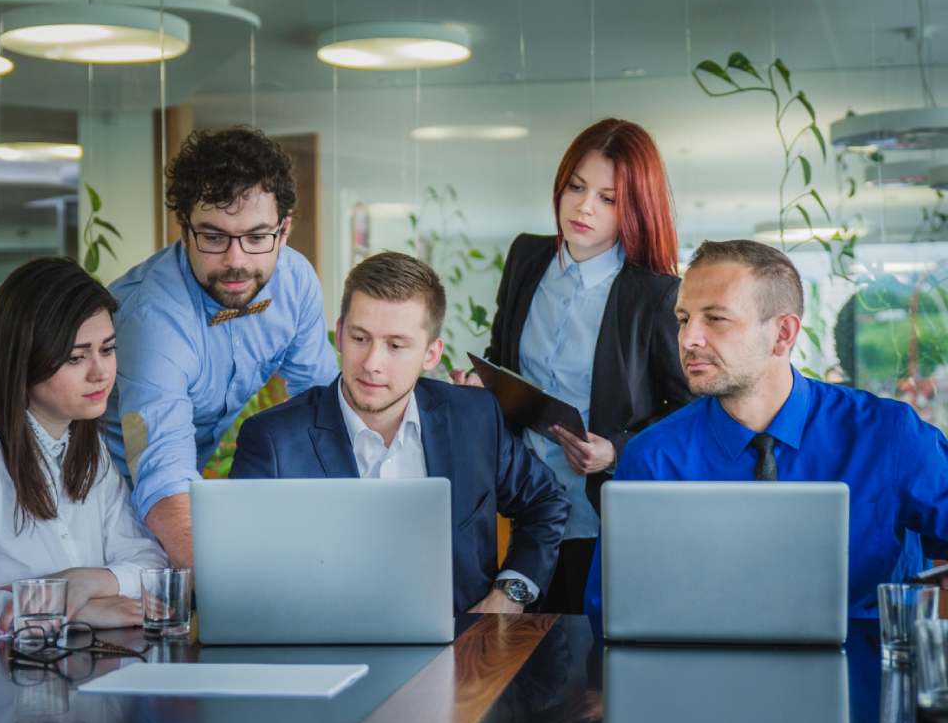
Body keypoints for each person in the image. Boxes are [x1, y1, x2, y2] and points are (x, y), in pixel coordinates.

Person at [584, 239, 948, 621]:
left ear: (783, 334)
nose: (689, 338)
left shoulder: (887, 435)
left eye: (716, 318)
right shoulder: (653, 458)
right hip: (703, 673)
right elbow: (612, 611)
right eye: (683, 319)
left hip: (863, 673)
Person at [231, 252, 568, 614]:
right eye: (360, 338)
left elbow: (545, 503)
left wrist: (510, 595)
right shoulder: (271, 440)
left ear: (431, 354)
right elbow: (241, 571)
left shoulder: (476, 417)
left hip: (463, 655)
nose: (373, 363)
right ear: (340, 333)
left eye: (395, 345)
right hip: (325, 657)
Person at [455, 118, 692, 613]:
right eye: (576, 187)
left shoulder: (654, 295)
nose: (584, 207)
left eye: (608, 198)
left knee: (586, 665)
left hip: (598, 516)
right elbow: (503, 354)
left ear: (635, 208)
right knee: (510, 655)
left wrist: (616, 452)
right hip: (517, 503)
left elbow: (689, 409)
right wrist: (483, 382)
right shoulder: (526, 257)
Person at [101, 126, 338, 568]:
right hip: (107, 504)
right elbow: (163, 474)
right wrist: (234, 593)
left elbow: (321, 409)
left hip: (192, 497)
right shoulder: (151, 320)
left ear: (283, 231)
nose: (236, 261)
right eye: (213, 237)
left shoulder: (296, 282)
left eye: (256, 237)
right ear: (184, 229)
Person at [0, 258, 167, 644]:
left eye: (108, 349)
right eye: (75, 357)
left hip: (72, 677)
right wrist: (58, 608)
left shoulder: (86, 444)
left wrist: (84, 583)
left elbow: (149, 563)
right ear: (26, 357)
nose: (100, 372)